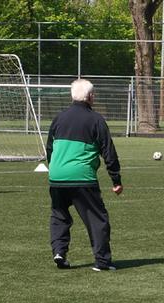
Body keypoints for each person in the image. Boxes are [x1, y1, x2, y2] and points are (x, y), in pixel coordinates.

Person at [46, 79, 123, 271]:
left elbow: (49, 149)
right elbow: (109, 153)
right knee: (97, 219)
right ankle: (102, 262)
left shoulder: (59, 118)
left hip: (56, 176)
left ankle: (59, 251)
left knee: (59, 215)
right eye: (93, 94)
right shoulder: (96, 119)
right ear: (89, 96)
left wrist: (55, 167)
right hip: (82, 177)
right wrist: (116, 180)